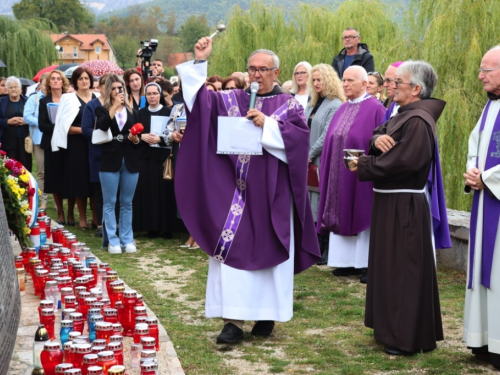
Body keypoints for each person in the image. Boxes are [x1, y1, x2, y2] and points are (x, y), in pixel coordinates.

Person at [175, 37, 320, 344]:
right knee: (232, 253)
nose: (256, 74)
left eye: (263, 69)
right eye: (252, 69)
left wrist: (268, 125)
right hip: (235, 193)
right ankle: (233, 321)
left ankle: (267, 314)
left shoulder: (290, 105)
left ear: (276, 72)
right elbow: (200, 105)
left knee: (269, 255)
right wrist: (200, 61)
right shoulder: (229, 100)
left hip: (272, 195)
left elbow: (299, 143)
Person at [352, 60, 447, 355]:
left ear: (416, 89)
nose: (391, 86)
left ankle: (404, 337)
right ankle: (389, 329)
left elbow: (406, 161)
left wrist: (363, 163)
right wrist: (376, 138)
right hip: (389, 201)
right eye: (392, 83)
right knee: (388, 267)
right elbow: (378, 133)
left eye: (398, 83)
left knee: (404, 269)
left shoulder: (419, 121)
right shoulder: (403, 114)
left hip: (404, 204)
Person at [316, 66, 385, 282]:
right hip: (339, 173)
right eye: (343, 80)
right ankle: (345, 262)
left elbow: (378, 141)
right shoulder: (343, 107)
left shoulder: (376, 109)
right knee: (341, 209)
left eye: (350, 81)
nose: (345, 84)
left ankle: (365, 263)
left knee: (361, 211)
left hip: (360, 175)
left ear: (365, 84)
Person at [463, 46, 500, 370]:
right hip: (485, 201)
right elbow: (475, 145)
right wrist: (473, 171)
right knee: (482, 272)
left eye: (486, 71)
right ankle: (483, 339)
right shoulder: (489, 108)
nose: (480, 76)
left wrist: (487, 177)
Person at [305, 63, 345, 265]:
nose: (316, 83)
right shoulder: (312, 103)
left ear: (329, 80)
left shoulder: (335, 104)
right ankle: (312, 246)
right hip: (308, 159)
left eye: (320, 79)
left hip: (322, 159)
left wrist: (310, 154)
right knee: (309, 200)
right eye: (314, 79)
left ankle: (323, 249)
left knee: (320, 201)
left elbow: (327, 134)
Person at [95, 74, 141, 254]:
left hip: (130, 161)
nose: (117, 91)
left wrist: (135, 139)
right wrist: (113, 107)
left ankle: (127, 239)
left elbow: (137, 140)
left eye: (119, 88)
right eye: (113, 89)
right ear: (108, 91)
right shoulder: (101, 110)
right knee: (109, 202)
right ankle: (112, 240)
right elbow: (103, 126)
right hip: (109, 161)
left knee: (127, 203)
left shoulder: (132, 111)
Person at [133, 82, 183, 238]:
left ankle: (167, 227)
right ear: (145, 96)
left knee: (165, 193)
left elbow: (174, 134)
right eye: (149, 94)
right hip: (146, 158)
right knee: (148, 192)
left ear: (160, 95)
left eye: (155, 93)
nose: (152, 96)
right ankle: (151, 227)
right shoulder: (139, 113)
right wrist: (142, 137)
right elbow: (133, 134)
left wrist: (160, 139)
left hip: (163, 158)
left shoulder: (169, 111)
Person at [51, 67, 95, 229]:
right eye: (81, 79)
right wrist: (85, 130)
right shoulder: (68, 98)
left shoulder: (97, 97)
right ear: (75, 82)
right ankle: (82, 218)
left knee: (94, 181)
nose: (84, 81)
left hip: (94, 144)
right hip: (76, 145)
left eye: (86, 78)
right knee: (80, 181)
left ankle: (96, 218)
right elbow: (63, 126)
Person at [38, 70, 69, 224]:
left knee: (69, 177)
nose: (56, 81)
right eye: (53, 79)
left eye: (59, 79)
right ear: (49, 83)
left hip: (69, 142)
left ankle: (70, 213)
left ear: (63, 82)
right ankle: (61, 213)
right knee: (54, 178)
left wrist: (63, 127)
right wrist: (58, 127)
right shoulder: (44, 101)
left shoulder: (69, 99)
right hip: (51, 143)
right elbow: (42, 125)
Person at [81, 74, 109, 238]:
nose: (108, 87)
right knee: (99, 190)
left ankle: (115, 223)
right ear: (99, 87)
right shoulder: (92, 105)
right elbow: (85, 129)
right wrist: (102, 135)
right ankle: (99, 223)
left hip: (116, 153)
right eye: (105, 84)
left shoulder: (118, 104)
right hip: (98, 152)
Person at [23, 73, 49, 209]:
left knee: (55, 170)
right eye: (45, 84)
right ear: (40, 84)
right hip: (39, 139)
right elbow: (26, 117)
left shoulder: (57, 98)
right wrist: (42, 123)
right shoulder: (34, 99)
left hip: (55, 139)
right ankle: (43, 200)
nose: (47, 86)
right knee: (42, 171)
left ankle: (57, 200)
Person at [0, 76, 31, 170]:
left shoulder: (27, 101)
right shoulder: (1, 102)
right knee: (9, 167)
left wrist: (26, 121)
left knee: (25, 167)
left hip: (24, 140)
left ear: (20, 89)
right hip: (7, 141)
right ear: (7, 89)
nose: (13, 89)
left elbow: (35, 118)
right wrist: (7, 121)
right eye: (11, 87)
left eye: (16, 87)